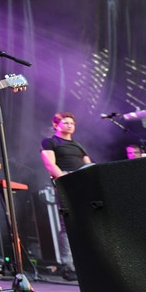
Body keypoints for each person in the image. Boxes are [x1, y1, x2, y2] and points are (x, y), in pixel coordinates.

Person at [39, 112, 92, 281]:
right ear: (56, 125)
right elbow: (49, 163)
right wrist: (65, 181)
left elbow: (88, 163)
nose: (70, 125)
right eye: (66, 122)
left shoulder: (78, 144)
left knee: (89, 222)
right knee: (68, 223)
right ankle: (68, 266)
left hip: (83, 180)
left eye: (72, 123)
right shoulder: (50, 142)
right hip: (66, 179)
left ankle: (89, 262)